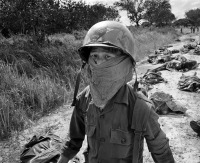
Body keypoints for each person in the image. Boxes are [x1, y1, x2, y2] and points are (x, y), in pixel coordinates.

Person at [57, 21, 175, 163]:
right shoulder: (84, 99)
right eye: (95, 56)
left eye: (107, 57)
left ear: (124, 63)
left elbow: (160, 150)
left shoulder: (140, 107)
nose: (99, 64)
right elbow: (73, 141)